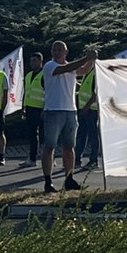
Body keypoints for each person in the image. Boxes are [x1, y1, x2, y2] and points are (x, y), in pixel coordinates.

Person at [41, 40, 97, 193]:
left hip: (70, 111)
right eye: (55, 50)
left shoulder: (71, 67)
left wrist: (92, 59)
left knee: (69, 147)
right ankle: (48, 181)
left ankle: (69, 178)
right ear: (52, 52)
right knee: (50, 146)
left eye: (61, 50)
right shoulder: (49, 66)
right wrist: (86, 58)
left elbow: (84, 70)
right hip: (53, 110)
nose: (58, 52)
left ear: (66, 52)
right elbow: (67, 68)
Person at [19, 51, 45, 168]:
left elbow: (48, 92)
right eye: (31, 61)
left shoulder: (44, 74)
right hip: (30, 108)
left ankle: (48, 158)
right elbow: (26, 91)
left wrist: (46, 108)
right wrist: (23, 106)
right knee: (32, 135)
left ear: (40, 61)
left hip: (41, 108)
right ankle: (32, 158)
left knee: (45, 136)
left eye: (35, 61)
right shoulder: (29, 75)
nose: (32, 63)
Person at [74, 65, 100, 169]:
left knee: (92, 136)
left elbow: (95, 94)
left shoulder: (95, 74)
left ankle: (94, 160)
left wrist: (86, 107)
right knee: (82, 134)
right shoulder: (87, 73)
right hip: (84, 109)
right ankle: (77, 159)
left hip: (91, 110)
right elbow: (85, 87)